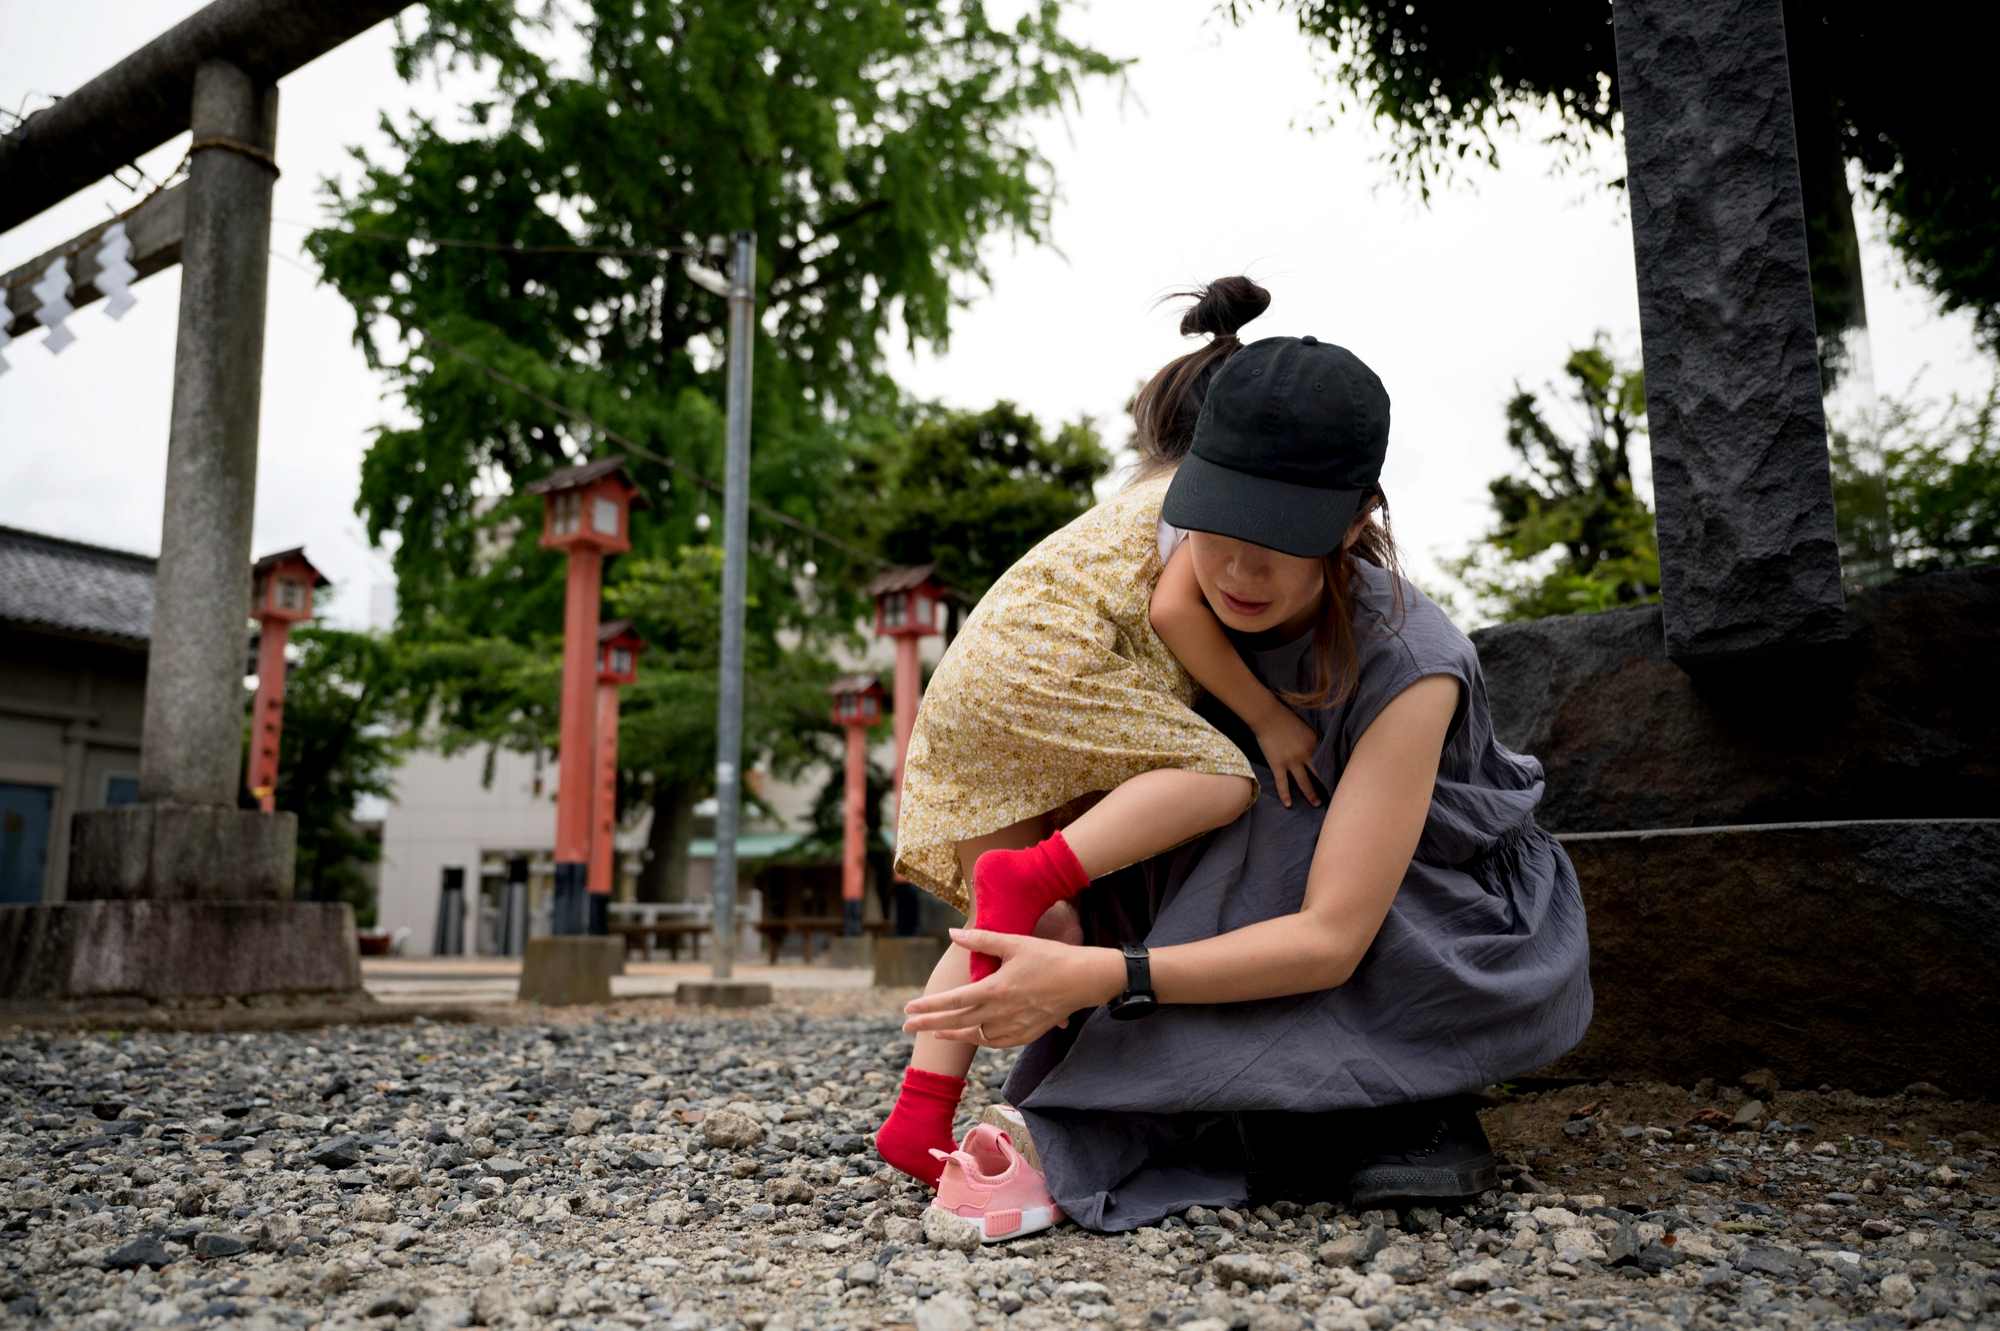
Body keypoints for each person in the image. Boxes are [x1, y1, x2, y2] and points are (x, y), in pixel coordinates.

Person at [901, 322, 1593, 1236]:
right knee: (1200, 805)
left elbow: (1332, 936)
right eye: (1219, 523)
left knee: (1279, 808)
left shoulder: (1411, 665)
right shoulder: (1177, 597)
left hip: (1423, 928)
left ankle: (1363, 1100)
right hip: (1236, 897)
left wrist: (1105, 975)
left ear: (1357, 521)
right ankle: (1282, 1110)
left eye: (1280, 536)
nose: (1239, 567)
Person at [873, 277, 1313, 1187]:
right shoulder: (1201, 503)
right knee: (1221, 777)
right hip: (1045, 668)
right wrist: (1269, 718)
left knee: (1005, 928)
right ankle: (1033, 870)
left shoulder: (1124, 502)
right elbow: (1181, 616)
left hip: (973, 680)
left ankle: (917, 1116)